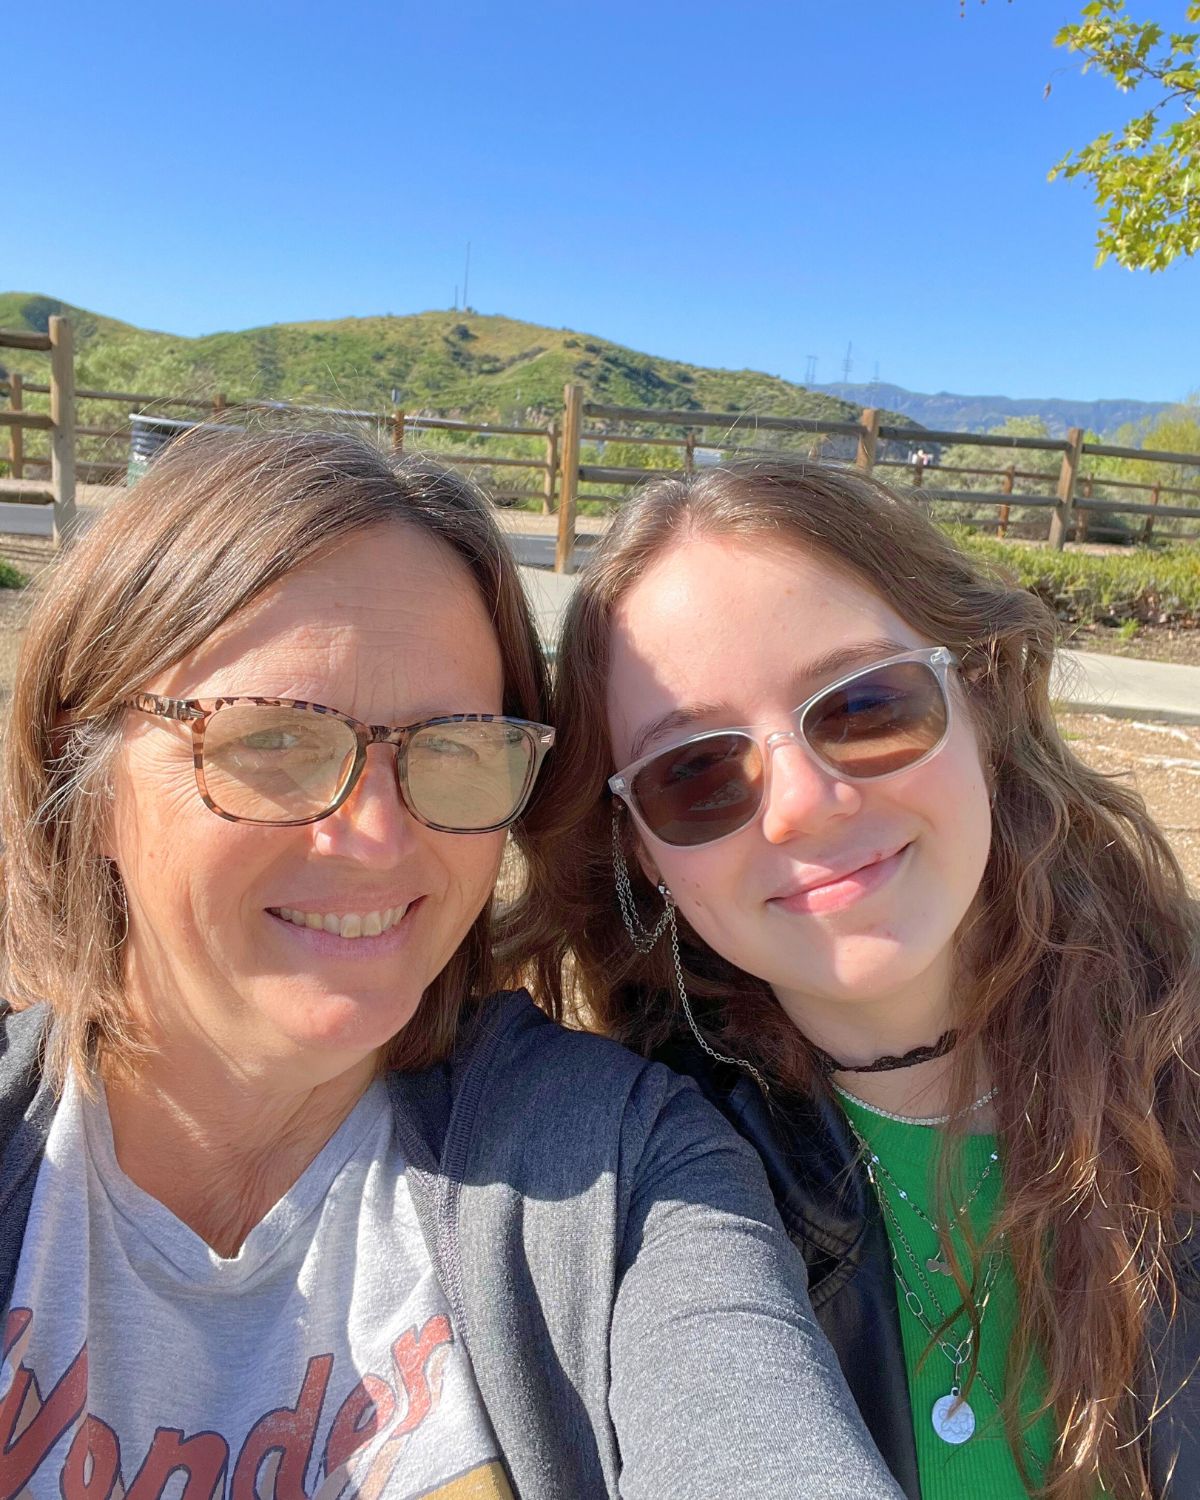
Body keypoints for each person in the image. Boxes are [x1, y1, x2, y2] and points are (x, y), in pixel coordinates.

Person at [0, 432, 904, 1500]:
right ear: (85, 771)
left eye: (457, 745)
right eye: (275, 741)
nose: (380, 837)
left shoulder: (618, 1177)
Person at [522, 459, 1200, 1500]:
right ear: (643, 851)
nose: (802, 805)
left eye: (864, 705)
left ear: (980, 695)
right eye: (695, 772)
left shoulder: (1179, 1056)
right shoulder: (638, 1177)